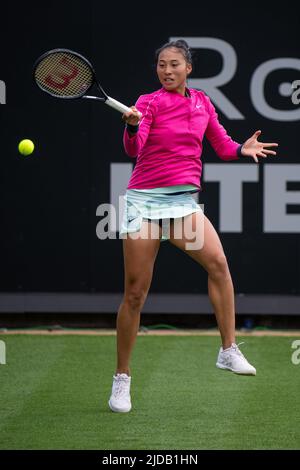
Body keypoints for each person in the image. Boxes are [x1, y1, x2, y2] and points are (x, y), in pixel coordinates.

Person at [108, 39, 278, 413]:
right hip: (145, 201)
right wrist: (133, 127)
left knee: (218, 265)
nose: (167, 71)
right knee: (135, 294)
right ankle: (122, 379)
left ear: (188, 69)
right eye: (161, 65)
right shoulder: (148, 102)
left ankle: (228, 350)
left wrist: (242, 149)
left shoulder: (201, 101)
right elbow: (133, 151)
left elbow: (220, 144)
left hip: (183, 203)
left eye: (174, 65)